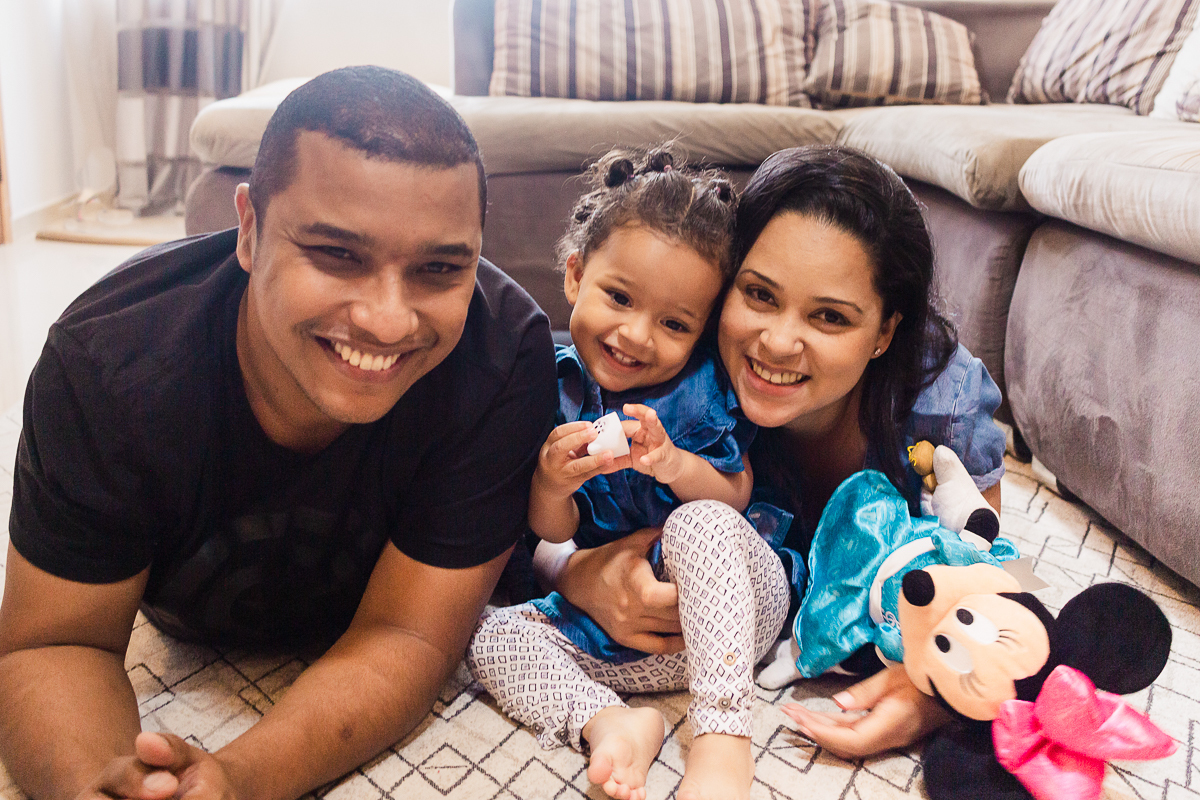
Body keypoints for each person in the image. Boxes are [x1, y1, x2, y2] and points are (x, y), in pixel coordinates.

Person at [0, 67, 556, 800]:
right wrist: (96, 785)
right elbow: (55, 639)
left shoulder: (502, 355)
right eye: (337, 255)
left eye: (439, 268)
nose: (389, 320)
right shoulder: (107, 365)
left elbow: (408, 634)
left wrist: (234, 779)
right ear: (250, 229)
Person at [539, 144, 1007, 761]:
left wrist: (933, 690)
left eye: (831, 317)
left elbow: (994, 569)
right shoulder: (674, 371)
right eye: (758, 295)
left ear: (884, 332)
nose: (778, 343)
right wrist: (576, 575)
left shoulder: (938, 398)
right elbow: (530, 524)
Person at [467, 147, 791, 800]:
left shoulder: (698, 393)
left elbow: (738, 494)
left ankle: (723, 736)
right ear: (575, 276)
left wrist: (674, 464)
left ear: (701, 334)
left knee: (701, 521)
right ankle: (609, 721)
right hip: (617, 637)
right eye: (619, 297)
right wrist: (552, 485)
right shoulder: (545, 382)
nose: (637, 335)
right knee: (488, 636)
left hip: (731, 616)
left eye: (674, 324)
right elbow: (552, 537)